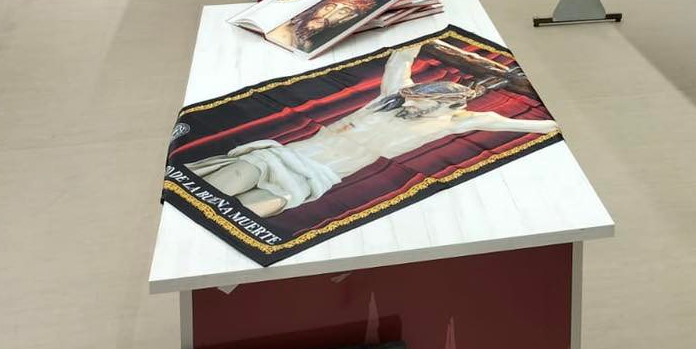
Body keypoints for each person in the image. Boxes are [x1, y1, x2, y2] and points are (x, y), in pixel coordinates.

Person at [186, 40, 559, 217]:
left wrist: (561, 114)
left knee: (237, 218)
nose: (413, 101)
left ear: (447, 105)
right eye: (415, 94)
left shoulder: (452, 121)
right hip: (282, 157)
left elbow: (523, 125)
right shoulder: (393, 96)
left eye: (423, 100)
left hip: (313, 179)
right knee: (203, 199)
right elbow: (402, 56)